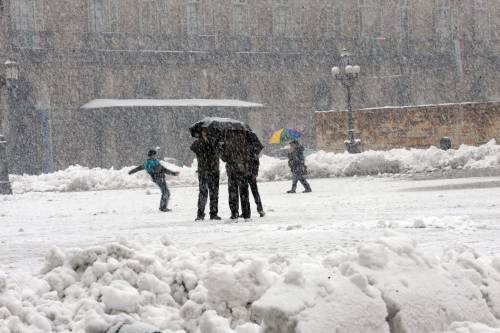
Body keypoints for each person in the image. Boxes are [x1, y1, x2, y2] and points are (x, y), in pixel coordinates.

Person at [219, 131, 251, 220]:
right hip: (242, 170)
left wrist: (221, 148)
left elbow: (224, 158)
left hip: (232, 171)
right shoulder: (245, 141)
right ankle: (246, 213)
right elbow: (248, 156)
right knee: (244, 193)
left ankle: (234, 213)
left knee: (233, 194)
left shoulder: (227, 142)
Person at [190, 129, 221, 221]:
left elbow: (219, 151)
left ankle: (213, 213)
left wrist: (213, 142)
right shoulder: (198, 142)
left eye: (207, 131)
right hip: (204, 170)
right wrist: (203, 140)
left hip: (214, 170)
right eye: (203, 131)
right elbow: (193, 148)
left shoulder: (215, 141)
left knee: (214, 192)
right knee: (203, 192)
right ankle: (200, 213)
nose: (205, 133)